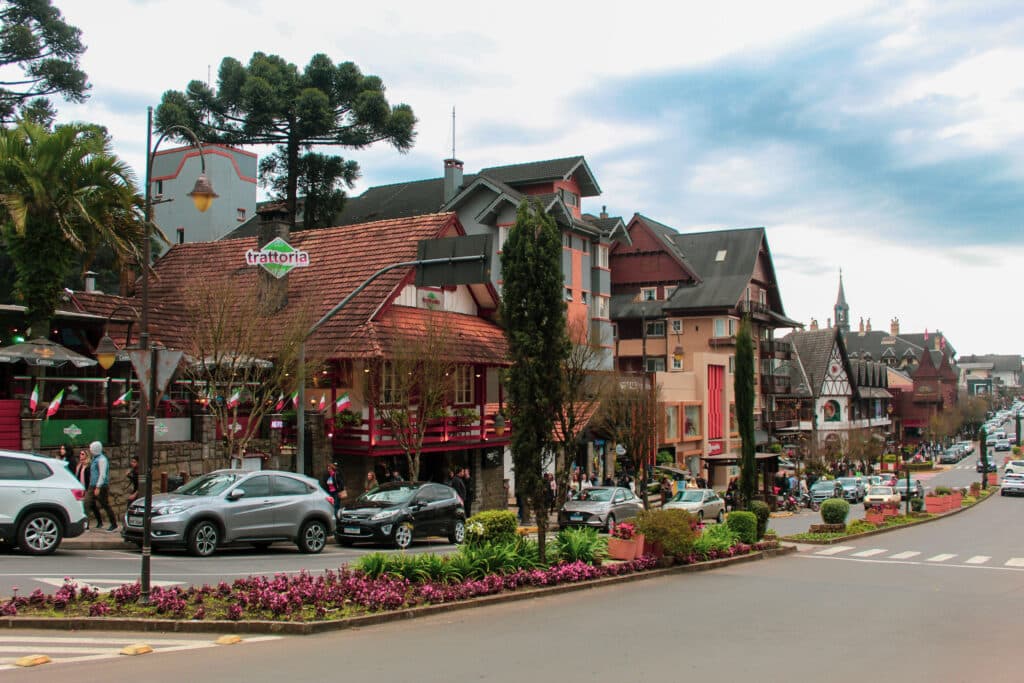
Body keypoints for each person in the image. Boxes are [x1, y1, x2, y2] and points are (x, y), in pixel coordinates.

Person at [87, 441, 117, 531]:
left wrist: (98, 487)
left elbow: (102, 474)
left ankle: (113, 523)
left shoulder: (102, 459)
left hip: (100, 486)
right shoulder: (94, 459)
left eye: (91, 448)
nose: (90, 450)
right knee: (88, 504)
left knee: (105, 505)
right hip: (92, 485)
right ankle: (87, 524)